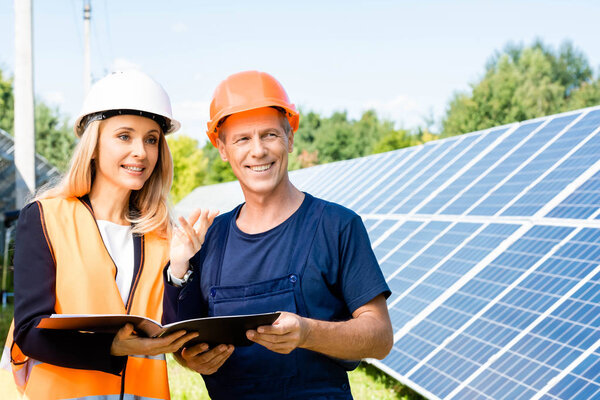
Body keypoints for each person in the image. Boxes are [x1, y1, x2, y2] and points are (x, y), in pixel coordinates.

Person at [163, 70, 393, 399]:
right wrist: (193, 360)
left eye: (269, 135)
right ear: (222, 148)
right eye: (242, 139)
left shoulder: (337, 226)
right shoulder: (209, 240)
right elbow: (183, 346)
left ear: (290, 138)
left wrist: (307, 332)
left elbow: (380, 338)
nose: (258, 151)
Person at [0, 70, 215, 400]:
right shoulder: (46, 216)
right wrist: (111, 346)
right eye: (124, 136)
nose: (141, 152)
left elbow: (176, 335)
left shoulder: (163, 236)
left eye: (151, 139)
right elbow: (29, 334)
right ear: (94, 145)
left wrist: (179, 268)